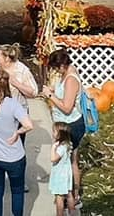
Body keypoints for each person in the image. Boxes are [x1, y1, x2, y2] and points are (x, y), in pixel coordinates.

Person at [0, 71, 31, 216]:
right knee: (17, 190)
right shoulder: (13, 104)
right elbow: (29, 125)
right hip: (13, 157)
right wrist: (18, 133)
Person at [43, 47, 85, 210]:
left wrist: (50, 95)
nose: (56, 72)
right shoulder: (67, 74)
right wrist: (55, 91)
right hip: (65, 123)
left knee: (70, 161)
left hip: (71, 125)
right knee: (70, 160)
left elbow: (67, 107)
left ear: (62, 66)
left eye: (56, 68)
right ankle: (70, 194)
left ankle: (73, 196)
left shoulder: (70, 79)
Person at [48, 123, 75, 215]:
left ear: (60, 134)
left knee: (59, 197)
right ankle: (72, 212)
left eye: (54, 132)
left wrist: (53, 148)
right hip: (67, 173)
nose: (53, 133)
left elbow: (53, 158)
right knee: (69, 194)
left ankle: (59, 214)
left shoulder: (61, 148)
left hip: (60, 175)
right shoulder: (68, 144)